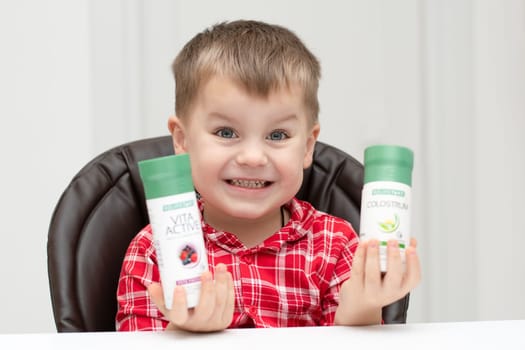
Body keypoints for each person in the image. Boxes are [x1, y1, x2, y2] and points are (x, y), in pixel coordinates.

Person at [116, 19, 421, 332]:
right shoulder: (153, 252)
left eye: (277, 135)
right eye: (226, 132)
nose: (253, 157)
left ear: (307, 147)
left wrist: (363, 308)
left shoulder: (335, 245)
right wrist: (184, 331)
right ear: (182, 140)